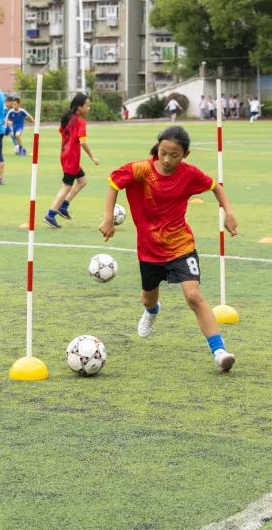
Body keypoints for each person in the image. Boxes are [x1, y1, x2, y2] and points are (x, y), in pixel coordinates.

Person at [100, 126, 239, 372]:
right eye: (163, 152)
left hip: (180, 246)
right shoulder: (140, 170)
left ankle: (220, 352)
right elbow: (113, 183)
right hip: (149, 250)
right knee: (148, 298)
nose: (166, 159)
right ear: (158, 148)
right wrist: (108, 218)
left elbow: (216, 187)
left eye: (174, 155)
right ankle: (152, 311)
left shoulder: (189, 174)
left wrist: (229, 212)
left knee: (194, 296)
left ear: (185, 154)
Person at [44, 94, 99, 228]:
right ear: (79, 107)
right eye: (87, 105)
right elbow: (83, 142)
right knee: (67, 185)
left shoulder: (67, 116)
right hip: (72, 158)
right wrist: (92, 157)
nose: (89, 108)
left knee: (82, 181)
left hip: (65, 154)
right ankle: (51, 214)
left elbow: (62, 132)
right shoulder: (80, 121)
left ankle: (64, 206)